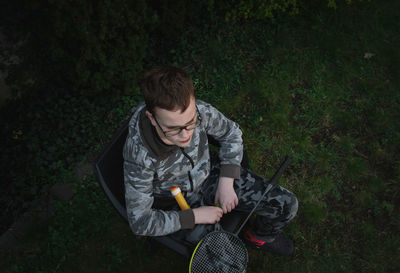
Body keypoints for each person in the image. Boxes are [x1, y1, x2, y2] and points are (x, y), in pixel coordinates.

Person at [123, 66, 298, 256]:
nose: (185, 135)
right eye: (173, 128)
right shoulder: (140, 157)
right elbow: (140, 222)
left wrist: (227, 180)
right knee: (227, 260)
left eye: (190, 123)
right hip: (176, 203)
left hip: (210, 174)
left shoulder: (199, 111)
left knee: (286, 205)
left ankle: (258, 237)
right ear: (152, 118)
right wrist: (194, 216)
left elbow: (231, 133)